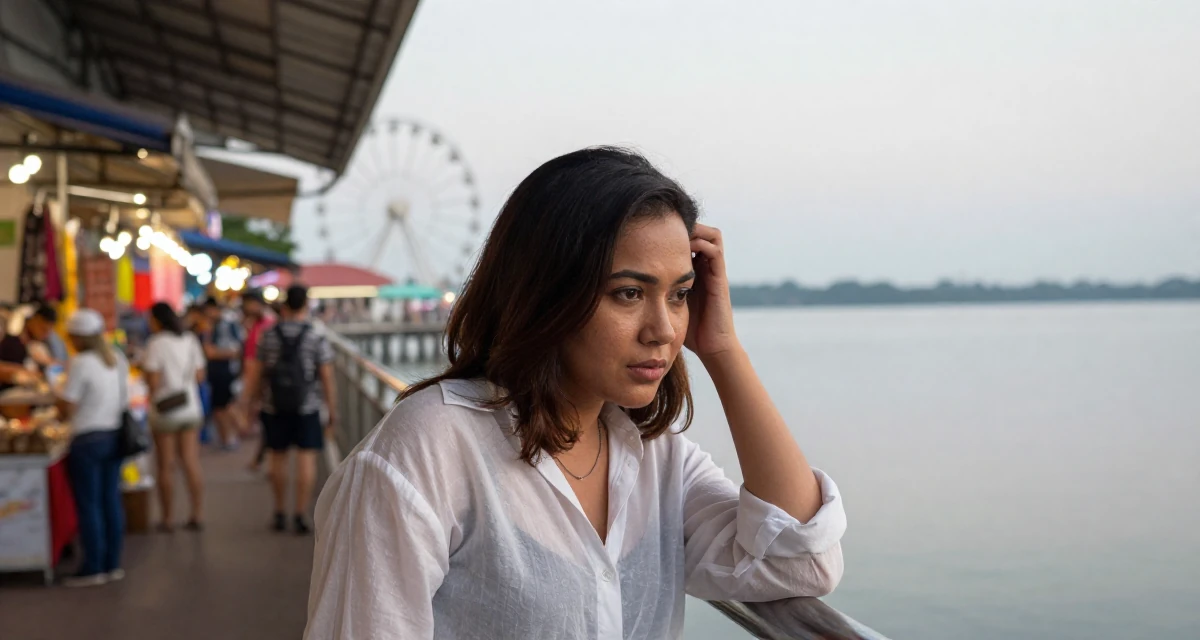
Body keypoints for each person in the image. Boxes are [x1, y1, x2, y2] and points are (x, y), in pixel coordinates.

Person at [303, 148, 847, 639]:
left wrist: (724, 350)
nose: (663, 329)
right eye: (629, 293)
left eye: (680, 294)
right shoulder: (429, 449)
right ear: (546, 294)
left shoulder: (655, 459)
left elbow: (800, 560)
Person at [242, 284, 336, 534]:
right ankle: (300, 514)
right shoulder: (316, 335)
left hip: (274, 405)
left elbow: (257, 373)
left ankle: (279, 511)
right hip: (308, 406)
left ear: (284, 306)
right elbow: (326, 377)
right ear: (306, 305)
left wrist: (249, 404)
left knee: (277, 458)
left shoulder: (269, 335)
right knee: (306, 461)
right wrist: (332, 410)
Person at [55, 309, 128, 587]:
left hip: (87, 439)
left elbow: (69, 406)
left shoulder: (81, 363)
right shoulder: (116, 359)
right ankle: (112, 563)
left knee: (89, 504)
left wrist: (58, 401)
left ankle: (93, 566)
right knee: (110, 500)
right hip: (114, 435)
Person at [142, 302, 207, 532]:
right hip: (190, 408)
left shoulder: (155, 344)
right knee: (190, 461)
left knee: (166, 465)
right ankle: (197, 513)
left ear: (157, 320)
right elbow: (200, 376)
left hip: (164, 411)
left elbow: (152, 382)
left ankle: (168, 518)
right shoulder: (190, 340)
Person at [197, 298, 245, 449]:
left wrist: (216, 353)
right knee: (222, 406)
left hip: (225, 372)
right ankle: (229, 436)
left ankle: (232, 435)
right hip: (216, 372)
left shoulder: (226, 325)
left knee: (224, 406)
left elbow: (234, 351)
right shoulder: (207, 327)